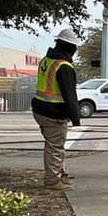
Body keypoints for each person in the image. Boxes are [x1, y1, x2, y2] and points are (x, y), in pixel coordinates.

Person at [31, 28, 82, 190]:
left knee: (54, 145)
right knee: (55, 147)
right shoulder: (64, 66)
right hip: (54, 113)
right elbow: (70, 95)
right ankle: (53, 180)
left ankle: (61, 174)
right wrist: (76, 117)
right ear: (71, 48)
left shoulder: (46, 60)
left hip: (39, 109)